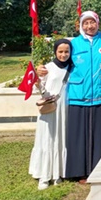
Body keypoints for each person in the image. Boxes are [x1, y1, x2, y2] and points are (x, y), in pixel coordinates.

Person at [67, 11, 101, 181]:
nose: (89, 26)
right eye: (85, 23)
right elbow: (61, 62)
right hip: (78, 95)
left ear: (98, 23)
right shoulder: (73, 44)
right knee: (78, 135)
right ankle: (79, 171)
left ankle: (100, 169)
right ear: (81, 25)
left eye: (92, 22)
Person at [29, 39, 72, 190]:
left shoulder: (73, 67)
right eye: (60, 51)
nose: (63, 55)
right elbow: (39, 87)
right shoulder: (47, 68)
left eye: (66, 51)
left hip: (65, 110)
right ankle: (44, 175)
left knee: (60, 138)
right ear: (55, 52)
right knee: (47, 138)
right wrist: (36, 81)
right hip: (50, 109)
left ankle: (58, 172)